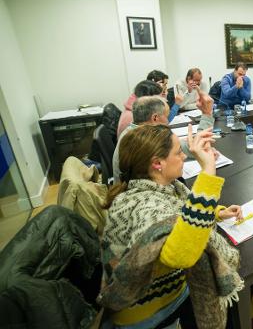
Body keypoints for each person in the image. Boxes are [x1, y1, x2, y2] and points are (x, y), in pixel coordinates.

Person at [101, 123, 243, 328]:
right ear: (157, 163)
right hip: (152, 311)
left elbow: (179, 215)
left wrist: (217, 213)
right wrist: (208, 171)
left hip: (166, 289)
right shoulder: (144, 206)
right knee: (228, 277)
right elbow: (180, 255)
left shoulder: (164, 187)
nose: (184, 156)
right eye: (178, 152)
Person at [112, 92, 215, 184]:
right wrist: (207, 114)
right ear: (155, 118)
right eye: (167, 116)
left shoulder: (132, 132)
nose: (168, 121)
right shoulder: (146, 140)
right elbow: (195, 148)